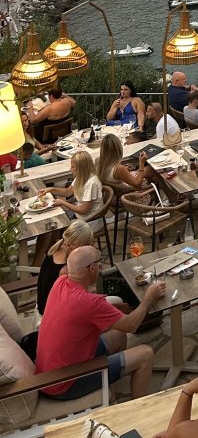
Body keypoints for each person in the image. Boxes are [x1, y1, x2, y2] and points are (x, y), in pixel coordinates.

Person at [36, 244, 165, 398]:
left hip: (50, 372)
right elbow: (131, 325)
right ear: (92, 268)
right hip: (65, 382)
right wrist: (148, 298)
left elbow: (94, 316)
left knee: (118, 334)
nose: (101, 266)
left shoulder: (61, 282)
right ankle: (138, 406)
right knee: (146, 353)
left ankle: (115, 377)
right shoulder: (90, 303)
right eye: (99, 262)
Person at [36, 219, 95, 314]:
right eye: (88, 244)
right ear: (77, 246)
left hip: (43, 303)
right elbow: (76, 299)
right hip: (52, 312)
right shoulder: (67, 270)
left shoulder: (58, 247)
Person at [45, 150, 105, 233]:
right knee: (53, 225)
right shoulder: (80, 177)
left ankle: (62, 243)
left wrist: (63, 203)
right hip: (80, 216)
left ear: (81, 168)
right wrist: (51, 189)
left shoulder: (92, 183)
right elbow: (67, 192)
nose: (70, 169)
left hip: (90, 222)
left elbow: (84, 210)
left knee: (57, 225)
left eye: (73, 167)